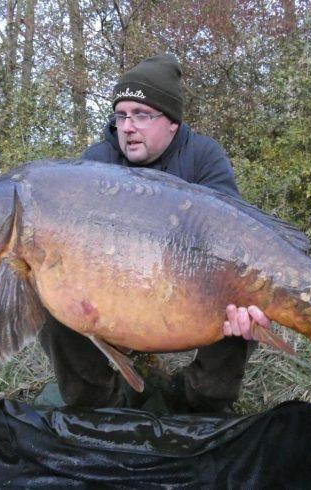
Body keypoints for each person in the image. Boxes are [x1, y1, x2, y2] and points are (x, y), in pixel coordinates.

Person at [38, 54, 270, 412]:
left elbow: (232, 237)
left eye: (141, 115)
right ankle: (101, 407)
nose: (127, 127)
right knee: (51, 305)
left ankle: (191, 398)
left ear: (172, 122)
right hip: (116, 293)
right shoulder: (96, 162)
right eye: (120, 116)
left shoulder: (203, 157)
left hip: (190, 296)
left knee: (239, 313)